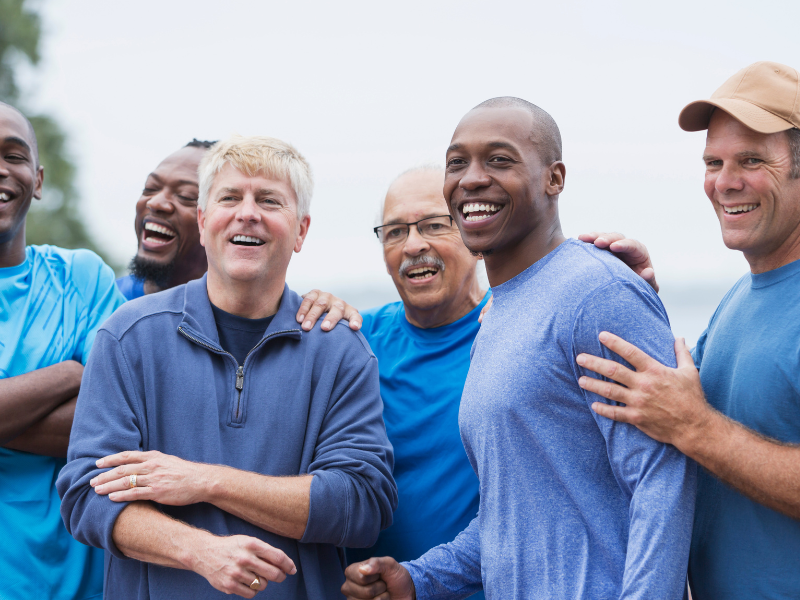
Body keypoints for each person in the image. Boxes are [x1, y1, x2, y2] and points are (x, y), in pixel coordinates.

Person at [342, 98, 696, 600]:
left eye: (499, 159)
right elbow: (512, 514)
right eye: (457, 162)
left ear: (554, 178)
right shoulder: (498, 315)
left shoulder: (597, 290)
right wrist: (420, 579)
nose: (472, 178)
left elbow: (663, 481)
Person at [57, 134, 397, 599]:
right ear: (202, 221)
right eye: (230, 197)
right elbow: (88, 494)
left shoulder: (340, 351)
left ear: (301, 230)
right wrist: (198, 550)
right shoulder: (128, 337)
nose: (248, 213)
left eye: (270, 200)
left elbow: (362, 504)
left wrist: (204, 481)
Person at [575, 61, 800, 599]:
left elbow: (691, 418)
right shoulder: (741, 298)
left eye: (752, 161)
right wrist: (638, 302)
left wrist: (696, 427)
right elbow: (684, 395)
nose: (725, 182)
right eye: (713, 162)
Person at [0, 101, 125, 599]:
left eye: (14, 155)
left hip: (84, 587)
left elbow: (117, 426)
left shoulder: (82, 277)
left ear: (39, 178)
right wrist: (71, 374)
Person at [344, 166, 487, 599]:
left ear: (476, 237)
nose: (413, 245)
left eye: (433, 226)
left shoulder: (516, 336)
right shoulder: (353, 341)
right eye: (394, 232)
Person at [116, 139, 215, 300]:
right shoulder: (101, 303)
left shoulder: (249, 318)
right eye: (150, 188)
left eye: (185, 195)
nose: (154, 202)